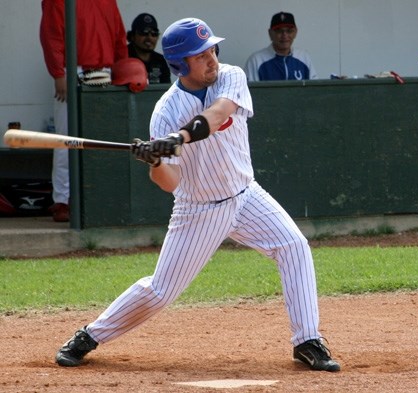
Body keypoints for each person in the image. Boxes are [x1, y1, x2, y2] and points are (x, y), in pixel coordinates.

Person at [54, 17, 341, 373]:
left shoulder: (231, 77)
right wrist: (156, 160)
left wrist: (180, 138)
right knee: (161, 291)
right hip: (200, 208)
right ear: (179, 64)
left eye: (211, 49)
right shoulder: (166, 112)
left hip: (246, 194)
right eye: (200, 55)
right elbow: (170, 182)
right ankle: (89, 336)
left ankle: (307, 340)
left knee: (294, 246)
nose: (212, 59)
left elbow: (218, 113)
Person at [40, 0, 128, 222]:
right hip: (73, 70)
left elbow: (118, 36)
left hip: (105, 72)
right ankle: (63, 200)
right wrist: (58, 73)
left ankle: (99, 198)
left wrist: (122, 71)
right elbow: (51, 36)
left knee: (102, 139)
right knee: (65, 139)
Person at [244, 12, 317, 81]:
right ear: (270, 33)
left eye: (289, 31)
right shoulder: (256, 60)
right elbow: (249, 92)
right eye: (279, 31)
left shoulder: (304, 58)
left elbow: (314, 90)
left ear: (295, 32)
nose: (284, 35)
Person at [127, 13, 171, 84]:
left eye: (154, 33)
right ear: (132, 36)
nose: (149, 38)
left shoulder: (161, 61)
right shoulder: (122, 57)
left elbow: (165, 90)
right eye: (144, 32)